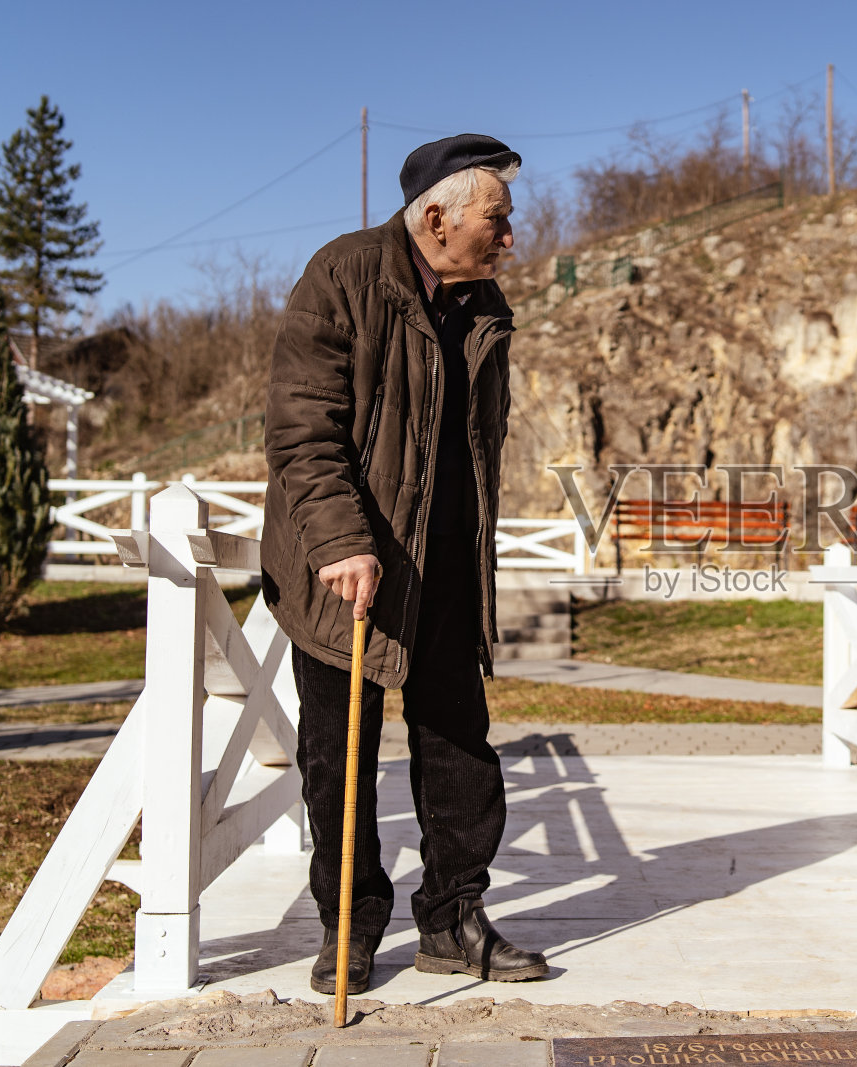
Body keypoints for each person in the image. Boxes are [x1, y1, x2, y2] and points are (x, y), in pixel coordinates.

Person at [261, 133, 547, 995]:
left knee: (460, 746)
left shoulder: (484, 304)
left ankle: (454, 919)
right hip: (346, 565)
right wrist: (344, 539)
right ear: (435, 217)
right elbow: (301, 427)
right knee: (337, 755)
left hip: (448, 564)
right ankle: (349, 925)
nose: (510, 232)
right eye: (497, 218)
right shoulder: (343, 275)